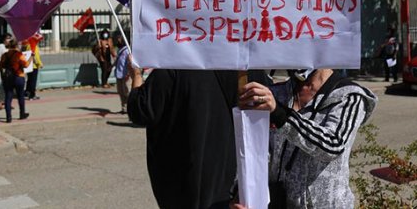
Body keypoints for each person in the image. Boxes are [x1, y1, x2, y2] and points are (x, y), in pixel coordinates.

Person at [236, 69, 377, 209]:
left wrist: (281, 115)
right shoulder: (275, 93)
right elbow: (258, 150)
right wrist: (243, 193)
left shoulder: (349, 96)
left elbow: (332, 145)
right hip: (278, 202)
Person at [127, 66, 242, 208]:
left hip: (180, 178)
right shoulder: (236, 64)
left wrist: (136, 76)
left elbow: (140, 111)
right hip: (225, 175)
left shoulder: (173, 65)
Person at [0, 39, 33, 123]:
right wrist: (31, 56)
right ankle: (22, 114)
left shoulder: (5, 55)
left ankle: (8, 117)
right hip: (19, 77)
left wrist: (3, 76)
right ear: (17, 46)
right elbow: (26, 65)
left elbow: (0, 66)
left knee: (8, 96)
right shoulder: (19, 55)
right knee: (20, 96)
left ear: (9, 46)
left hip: (8, 78)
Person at [113, 36, 130, 114]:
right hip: (119, 74)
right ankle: (124, 108)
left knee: (127, 92)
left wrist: (128, 73)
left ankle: (131, 109)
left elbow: (130, 63)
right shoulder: (120, 51)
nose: (117, 42)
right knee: (121, 92)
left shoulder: (127, 50)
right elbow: (118, 61)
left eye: (119, 40)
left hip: (126, 75)